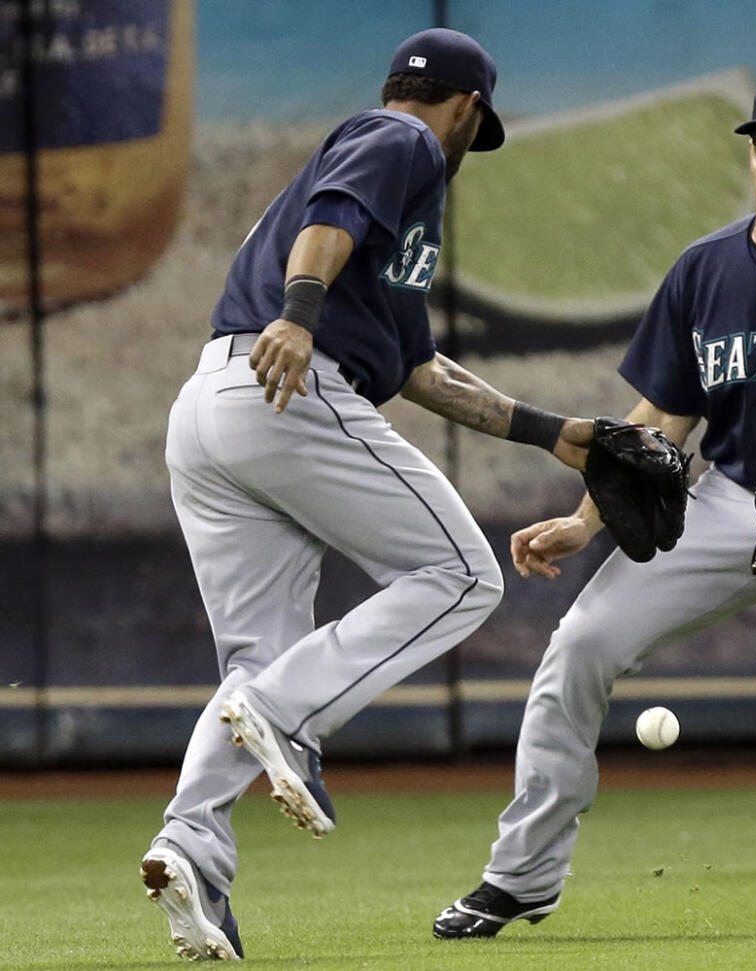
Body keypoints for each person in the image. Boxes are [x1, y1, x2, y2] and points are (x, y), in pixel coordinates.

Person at [433, 79, 756, 940]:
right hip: (732, 502)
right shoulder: (706, 268)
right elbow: (660, 424)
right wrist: (585, 518)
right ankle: (520, 878)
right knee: (581, 643)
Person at [139, 28, 595, 961]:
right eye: (476, 125)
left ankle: (191, 847)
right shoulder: (406, 143)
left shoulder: (391, 224)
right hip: (283, 386)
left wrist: (554, 433)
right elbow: (328, 224)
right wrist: (299, 317)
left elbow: (422, 369)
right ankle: (285, 716)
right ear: (468, 110)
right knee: (464, 574)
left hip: (210, 413)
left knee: (258, 665)